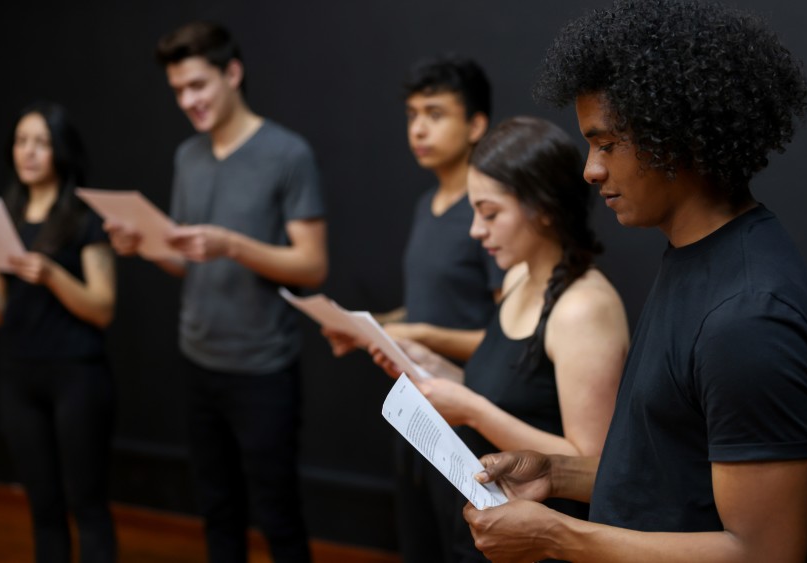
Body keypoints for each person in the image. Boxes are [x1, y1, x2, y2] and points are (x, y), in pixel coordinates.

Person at [462, 1, 807, 562]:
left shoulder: (748, 317)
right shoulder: (693, 258)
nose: (591, 169)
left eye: (607, 144)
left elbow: (763, 553)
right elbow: (670, 480)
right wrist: (554, 473)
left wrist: (553, 534)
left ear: (678, 137)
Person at [105, 21, 327, 563]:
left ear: (232, 73)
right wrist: (147, 247)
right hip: (199, 363)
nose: (188, 101)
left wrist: (232, 244)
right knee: (217, 512)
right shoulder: (188, 157)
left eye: (198, 85)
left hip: (263, 369)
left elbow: (312, 266)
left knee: (277, 515)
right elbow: (191, 262)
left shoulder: (287, 153)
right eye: (179, 90)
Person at [372, 116, 630, 562]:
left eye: (490, 213)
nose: (476, 230)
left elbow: (591, 466)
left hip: (541, 537)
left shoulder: (582, 308)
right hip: (490, 517)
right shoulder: (516, 278)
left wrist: (471, 409)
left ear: (543, 209)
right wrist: (427, 365)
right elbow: (509, 391)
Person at [322, 55, 504, 563]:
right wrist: (370, 328)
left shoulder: (489, 212)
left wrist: (420, 332)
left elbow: (509, 340)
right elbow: (428, 305)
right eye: (411, 114)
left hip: (468, 416)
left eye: (435, 113)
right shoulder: (427, 205)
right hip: (414, 407)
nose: (419, 127)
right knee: (417, 541)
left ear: (476, 125)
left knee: (462, 547)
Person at [0, 102, 117, 563]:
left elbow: (103, 308)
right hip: (19, 377)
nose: (28, 152)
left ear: (60, 152)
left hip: (78, 376)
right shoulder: (1, 216)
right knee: (43, 509)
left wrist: (51, 276)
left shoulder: (84, 219)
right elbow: (0, 313)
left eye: (41, 142)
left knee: (87, 506)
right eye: (22, 141)